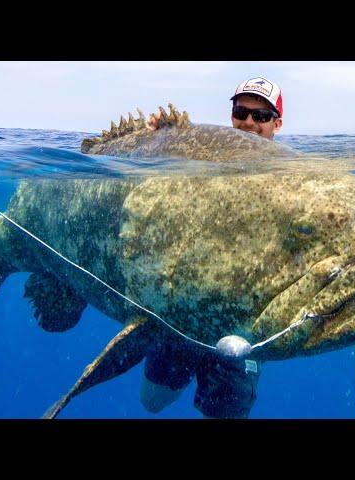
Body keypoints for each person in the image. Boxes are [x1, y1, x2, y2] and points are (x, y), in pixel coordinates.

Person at [140, 76, 282, 418]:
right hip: (183, 310)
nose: (249, 123)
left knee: (226, 414)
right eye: (241, 112)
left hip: (242, 324)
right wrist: (157, 143)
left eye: (261, 116)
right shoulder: (203, 157)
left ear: (277, 123)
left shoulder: (291, 173)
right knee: (152, 401)